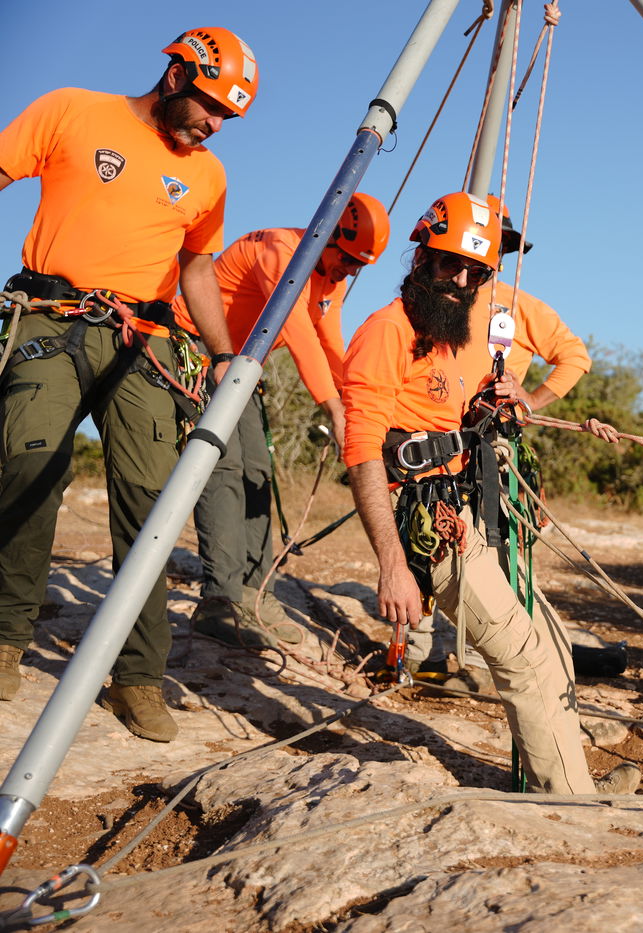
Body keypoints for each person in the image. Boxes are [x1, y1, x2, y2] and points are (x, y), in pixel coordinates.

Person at [0, 28, 257, 741]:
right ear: (176, 76)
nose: (216, 125)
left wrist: (224, 354)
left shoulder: (208, 176)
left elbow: (197, 269)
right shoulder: (71, 111)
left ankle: (138, 677)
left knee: (151, 503)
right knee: (28, 466)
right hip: (49, 318)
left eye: (228, 117)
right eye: (211, 107)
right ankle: (5, 637)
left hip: (145, 341)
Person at [342, 191, 631, 793]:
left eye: (477, 273)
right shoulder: (387, 332)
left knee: (552, 650)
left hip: (474, 508)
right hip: (428, 522)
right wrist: (392, 566)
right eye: (451, 265)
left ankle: (564, 785)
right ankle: (569, 803)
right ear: (421, 257)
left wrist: (512, 402)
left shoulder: (465, 335)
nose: (462, 282)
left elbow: (484, 404)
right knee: (524, 659)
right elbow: (363, 452)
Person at [170, 192, 391, 646]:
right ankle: (220, 600)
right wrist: (331, 407)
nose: (351, 271)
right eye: (349, 260)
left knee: (257, 470)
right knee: (225, 468)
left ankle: (256, 595)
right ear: (328, 238)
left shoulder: (331, 281)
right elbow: (300, 335)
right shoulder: (283, 252)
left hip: (241, 367)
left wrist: (357, 405)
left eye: (360, 266)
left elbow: (331, 347)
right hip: (194, 348)